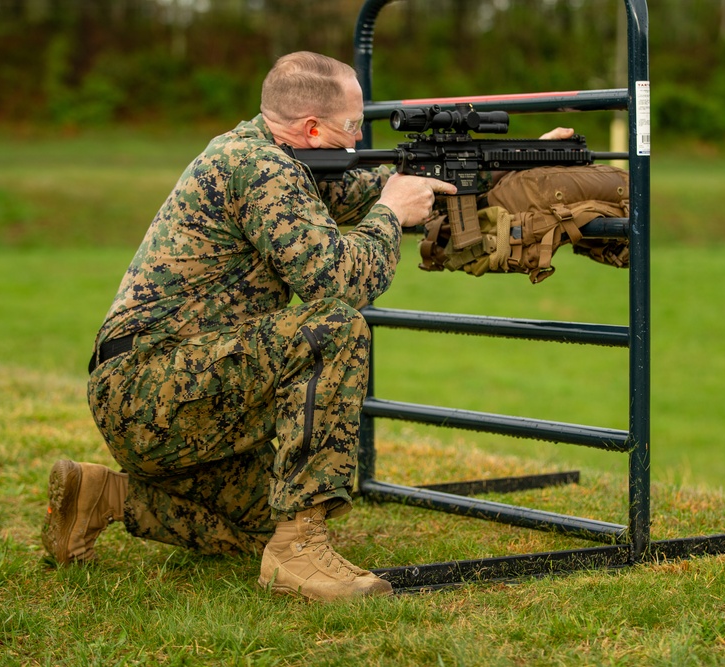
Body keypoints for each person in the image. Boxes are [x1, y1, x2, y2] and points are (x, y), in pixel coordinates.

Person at [41, 51, 456, 602]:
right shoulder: (261, 170)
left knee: (264, 522)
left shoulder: (272, 151)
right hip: (151, 389)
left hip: (167, 388)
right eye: (352, 126)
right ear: (313, 128)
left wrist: (511, 167)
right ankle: (298, 556)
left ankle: (107, 497)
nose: (358, 138)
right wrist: (389, 214)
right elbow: (341, 282)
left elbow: (368, 186)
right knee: (332, 326)